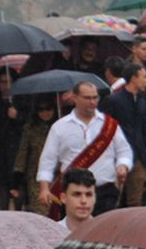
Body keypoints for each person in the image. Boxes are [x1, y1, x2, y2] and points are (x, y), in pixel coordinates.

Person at [37, 80, 132, 216]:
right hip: (72, 194)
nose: (92, 102)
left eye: (95, 97)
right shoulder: (60, 127)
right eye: (87, 98)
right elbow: (47, 160)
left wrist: (123, 165)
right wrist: (44, 189)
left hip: (104, 193)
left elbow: (124, 151)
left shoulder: (110, 124)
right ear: (75, 98)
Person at [103, 60, 146, 208]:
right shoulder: (113, 100)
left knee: (135, 201)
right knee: (114, 199)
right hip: (117, 156)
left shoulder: (141, 101)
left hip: (138, 156)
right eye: (144, 77)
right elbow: (106, 129)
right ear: (133, 78)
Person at [0, 68, 26, 211]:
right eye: (2, 82)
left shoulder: (22, 100)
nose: (6, 85)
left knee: (18, 185)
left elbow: (26, 124)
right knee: (1, 186)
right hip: (0, 149)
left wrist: (17, 116)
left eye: (9, 82)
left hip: (17, 149)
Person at [12, 96, 60, 214]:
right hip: (36, 177)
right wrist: (16, 179)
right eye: (41, 109)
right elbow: (22, 153)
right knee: (41, 211)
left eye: (48, 109)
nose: (45, 113)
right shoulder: (30, 128)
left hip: (59, 175)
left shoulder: (61, 126)